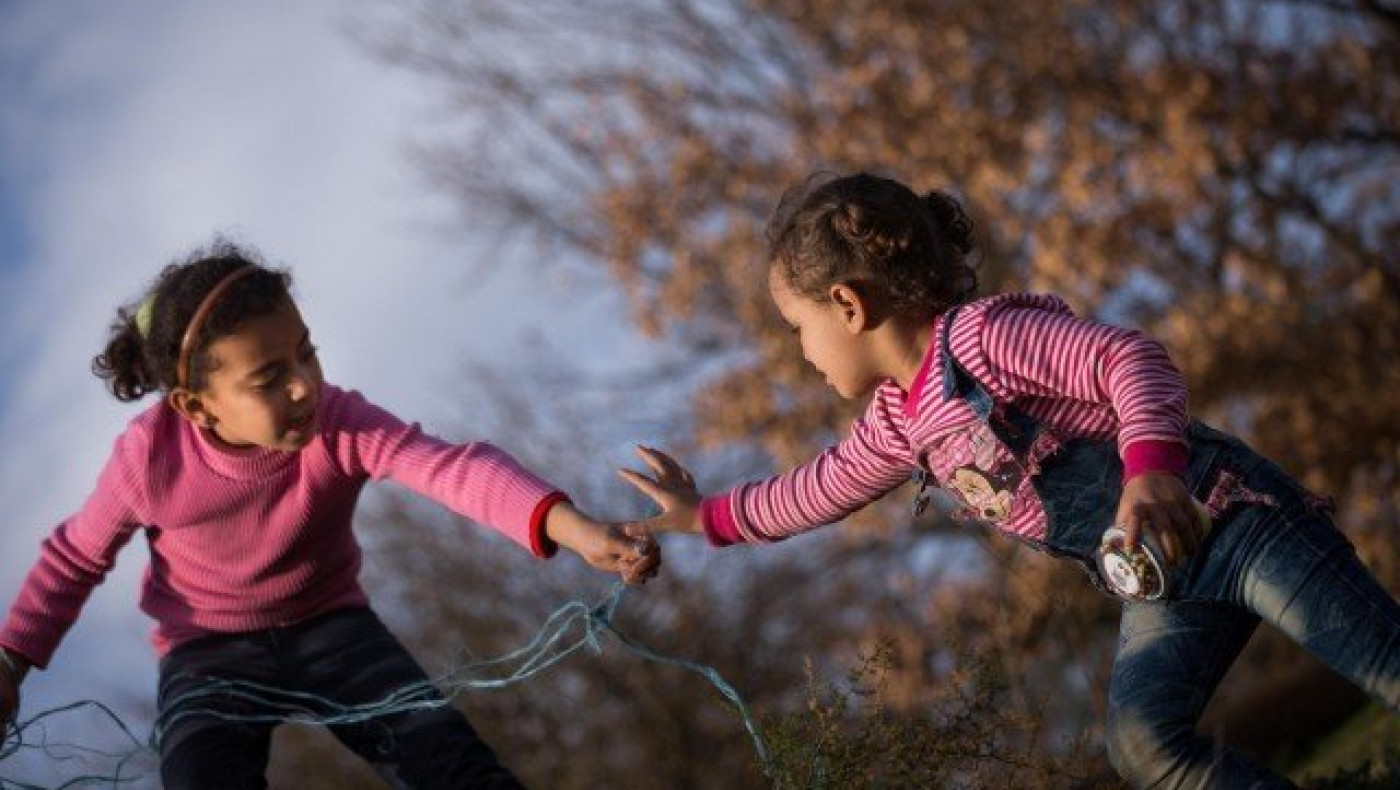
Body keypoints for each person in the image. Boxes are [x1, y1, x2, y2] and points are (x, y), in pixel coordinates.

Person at [619, 171, 1400, 789]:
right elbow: (810, 491)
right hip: (1165, 583)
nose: (802, 353)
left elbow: (1131, 359)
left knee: (1382, 662)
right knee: (1146, 745)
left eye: (797, 329)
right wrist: (704, 517)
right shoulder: (897, 423)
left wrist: (1153, 469)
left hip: (1232, 517)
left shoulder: (985, 338)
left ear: (847, 306)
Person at [0, 240, 660, 790]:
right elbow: (74, 559)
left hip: (334, 626)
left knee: (455, 768)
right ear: (197, 407)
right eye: (267, 378)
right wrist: (10, 663)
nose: (303, 385)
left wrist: (574, 528)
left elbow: (448, 468)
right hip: (205, 653)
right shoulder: (148, 458)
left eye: (306, 353)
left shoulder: (338, 423)